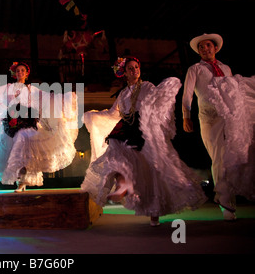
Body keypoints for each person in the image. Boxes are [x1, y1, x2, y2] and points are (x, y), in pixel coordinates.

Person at [81, 57, 207, 226]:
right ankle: (122, 186)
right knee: (116, 154)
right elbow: (114, 113)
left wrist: (164, 94)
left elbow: (155, 103)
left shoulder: (147, 86)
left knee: (151, 170)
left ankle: (154, 212)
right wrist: (95, 115)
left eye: (136, 67)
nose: (134, 70)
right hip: (125, 127)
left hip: (142, 128)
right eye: (130, 68)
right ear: (124, 73)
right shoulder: (123, 93)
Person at [0, 61, 78, 192]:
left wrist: (66, 97)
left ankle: (22, 181)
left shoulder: (32, 89)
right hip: (14, 125)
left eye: (22, 71)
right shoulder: (8, 88)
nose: (20, 73)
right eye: (17, 71)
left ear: (27, 74)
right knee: (19, 148)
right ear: (14, 74)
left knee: (25, 147)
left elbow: (49, 98)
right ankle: (21, 181)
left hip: (30, 124)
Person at [182, 33, 255, 221]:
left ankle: (237, 195)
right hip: (209, 118)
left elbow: (233, 93)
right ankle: (226, 204)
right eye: (201, 48)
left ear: (215, 48)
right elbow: (187, 95)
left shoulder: (226, 68)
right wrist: (186, 116)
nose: (205, 49)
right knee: (219, 158)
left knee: (237, 154)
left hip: (229, 116)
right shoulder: (195, 69)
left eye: (208, 46)